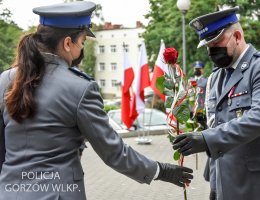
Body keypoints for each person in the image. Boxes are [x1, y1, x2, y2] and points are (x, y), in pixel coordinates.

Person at [0, 2, 193, 200]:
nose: (81, 51)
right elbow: (114, 152)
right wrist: (160, 170)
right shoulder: (80, 87)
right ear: (67, 43)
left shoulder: (5, 79)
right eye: (82, 43)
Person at [173, 6, 260, 200]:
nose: (212, 50)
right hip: (229, 188)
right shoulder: (215, 78)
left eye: (216, 43)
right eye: (208, 46)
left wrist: (206, 139)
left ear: (238, 36)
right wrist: (215, 186)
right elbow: (216, 126)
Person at [190, 61, 208, 129]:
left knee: (203, 129)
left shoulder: (206, 81)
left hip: (202, 109)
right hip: (191, 110)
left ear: (202, 70)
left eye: (199, 69)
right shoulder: (190, 81)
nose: (197, 70)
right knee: (192, 129)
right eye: (195, 68)